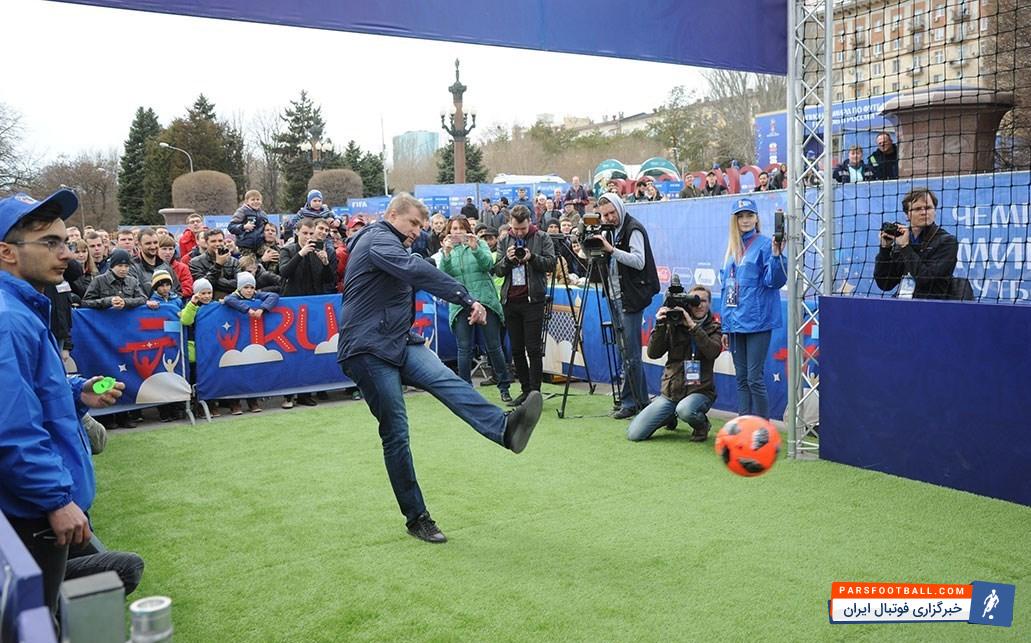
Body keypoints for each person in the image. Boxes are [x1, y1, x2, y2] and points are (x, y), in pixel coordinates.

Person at [337, 193, 544, 543]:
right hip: (367, 349)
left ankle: (505, 429)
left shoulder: (397, 248)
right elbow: (416, 270)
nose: (418, 231)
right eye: (413, 223)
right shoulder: (376, 239)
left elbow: (415, 268)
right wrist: (466, 298)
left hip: (399, 340)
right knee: (397, 432)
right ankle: (417, 517)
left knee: (448, 381)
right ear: (392, 216)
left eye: (421, 225)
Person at [0, 189, 137, 629]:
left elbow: (35, 391)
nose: (67, 254)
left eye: (67, 241)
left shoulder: (23, 308)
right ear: (7, 253)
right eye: (52, 243)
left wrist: (79, 392)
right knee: (39, 624)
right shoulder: (9, 319)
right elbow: (12, 427)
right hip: (34, 512)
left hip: (38, 506)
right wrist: (56, 500)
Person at [589, 194, 661, 419]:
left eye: (612, 213)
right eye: (605, 214)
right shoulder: (611, 229)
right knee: (625, 352)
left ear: (620, 208)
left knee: (630, 353)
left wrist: (611, 250)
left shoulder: (633, 229)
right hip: (615, 295)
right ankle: (640, 401)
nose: (609, 217)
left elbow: (639, 261)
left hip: (630, 297)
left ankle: (631, 401)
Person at [719, 198, 787, 420]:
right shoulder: (731, 249)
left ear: (757, 218)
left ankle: (762, 429)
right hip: (735, 324)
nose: (745, 220)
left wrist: (777, 255)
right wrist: (725, 328)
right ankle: (743, 426)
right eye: (741, 216)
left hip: (757, 322)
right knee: (741, 379)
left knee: (753, 378)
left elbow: (774, 281)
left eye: (749, 215)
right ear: (734, 221)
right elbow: (726, 290)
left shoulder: (765, 244)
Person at [627, 285, 723, 442]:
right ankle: (668, 415)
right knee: (635, 434)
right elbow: (653, 353)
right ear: (686, 303)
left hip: (700, 391)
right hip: (671, 393)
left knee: (685, 409)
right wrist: (659, 325)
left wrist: (692, 326)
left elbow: (713, 351)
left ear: (709, 304)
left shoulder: (714, 327)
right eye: (694, 301)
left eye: (703, 301)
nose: (699, 304)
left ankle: (702, 425)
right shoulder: (674, 323)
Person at [438, 215, 513, 403]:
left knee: (493, 346)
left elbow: (489, 265)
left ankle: (504, 386)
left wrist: (476, 248)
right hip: (460, 303)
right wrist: (446, 255)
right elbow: (443, 276)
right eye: (453, 229)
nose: (456, 232)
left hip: (485, 299)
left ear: (466, 230)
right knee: (464, 348)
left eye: (459, 228)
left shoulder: (479, 244)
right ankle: (466, 391)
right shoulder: (447, 251)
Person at [493, 205, 556, 407]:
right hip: (511, 301)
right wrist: (509, 260)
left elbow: (552, 263)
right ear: (510, 224)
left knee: (533, 348)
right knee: (517, 349)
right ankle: (525, 390)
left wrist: (532, 257)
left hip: (533, 300)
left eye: (522, 228)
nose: (519, 232)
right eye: (515, 228)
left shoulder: (542, 237)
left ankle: (535, 393)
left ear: (530, 221)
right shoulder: (504, 240)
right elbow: (498, 270)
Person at [278, 218, 334, 408]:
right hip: (291, 309)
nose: (309, 237)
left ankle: (305, 393)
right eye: (305, 233)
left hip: (313, 308)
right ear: (297, 233)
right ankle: (288, 394)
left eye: (311, 234)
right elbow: (284, 272)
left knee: (310, 349)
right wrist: (301, 254)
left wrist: (326, 263)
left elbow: (329, 281)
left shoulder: (318, 252)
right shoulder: (288, 250)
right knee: (290, 350)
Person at [874, 188, 963, 300]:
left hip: (932, 307)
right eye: (917, 209)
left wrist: (906, 248)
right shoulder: (904, 239)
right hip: (903, 305)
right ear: (907, 215)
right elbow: (885, 284)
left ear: (934, 211)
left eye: (928, 208)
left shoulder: (947, 241)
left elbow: (926, 279)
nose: (924, 212)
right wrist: (885, 249)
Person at [222, 272, 278, 414]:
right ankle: (234, 403)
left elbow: (274, 296)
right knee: (234, 368)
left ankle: (252, 400)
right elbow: (229, 299)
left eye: (251, 287)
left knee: (251, 368)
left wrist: (261, 308)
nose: (249, 290)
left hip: (252, 340)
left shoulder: (256, 295)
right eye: (246, 287)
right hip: (235, 339)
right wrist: (248, 309)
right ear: (239, 288)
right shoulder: (234, 297)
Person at [188, 228, 240, 300]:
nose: (217, 244)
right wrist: (218, 265)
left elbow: (239, 285)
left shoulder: (234, 262)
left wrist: (216, 283)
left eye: (220, 241)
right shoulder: (195, 262)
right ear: (206, 243)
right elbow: (203, 287)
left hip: (233, 301)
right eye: (213, 241)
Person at [227, 189, 270, 256]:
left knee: (273, 256)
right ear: (247, 201)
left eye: (258, 199)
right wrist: (243, 227)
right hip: (245, 245)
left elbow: (268, 227)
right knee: (249, 264)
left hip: (260, 245)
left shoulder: (263, 214)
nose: (256, 201)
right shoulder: (242, 211)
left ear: (261, 201)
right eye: (253, 200)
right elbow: (231, 227)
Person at [157, 234, 193, 298]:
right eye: (164, 249)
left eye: (170, 249)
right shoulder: (150, 267)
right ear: (157, 250)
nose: (168, 252)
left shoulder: (183, 268)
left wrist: (172, 296)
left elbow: (187, 289)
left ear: (174, 250)